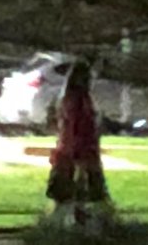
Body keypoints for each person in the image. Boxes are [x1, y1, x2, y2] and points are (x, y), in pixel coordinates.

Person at [46, 60, 111, 224]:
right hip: (79, 151)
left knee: (67, 193)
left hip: (72, 150)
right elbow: (78, 127)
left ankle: (64, 223)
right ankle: (82, 223)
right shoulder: (78, 100)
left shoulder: (70, 99)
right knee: (85, 191)